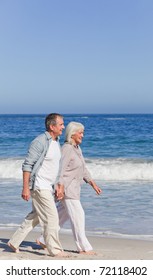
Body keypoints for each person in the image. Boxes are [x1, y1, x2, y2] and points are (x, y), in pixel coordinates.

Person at [36, 121, 102, 254]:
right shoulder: (67, 148)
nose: (82, 135)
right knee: (78, 215)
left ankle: (44, 239)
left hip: (74, 188)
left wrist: (92, 183)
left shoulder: (77, 148)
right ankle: (84, 247)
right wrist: (59, 187)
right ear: (72, 134)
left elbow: (83, 169)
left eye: (83, 132)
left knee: (62, 215)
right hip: (66, 189)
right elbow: (60, 169)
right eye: (80, 132)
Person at [7, 113, 68, 257]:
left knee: (35, 216)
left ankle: (14, 241)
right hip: (39, 186)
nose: (63, 127)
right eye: (61, 124)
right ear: (52, 126)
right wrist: (25, 187)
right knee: (52, 217)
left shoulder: (56, 141)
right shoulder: (40, 141)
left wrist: (58, 185)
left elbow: (55, 167)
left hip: (49, 186)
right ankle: (55, 250)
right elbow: (27, 165)